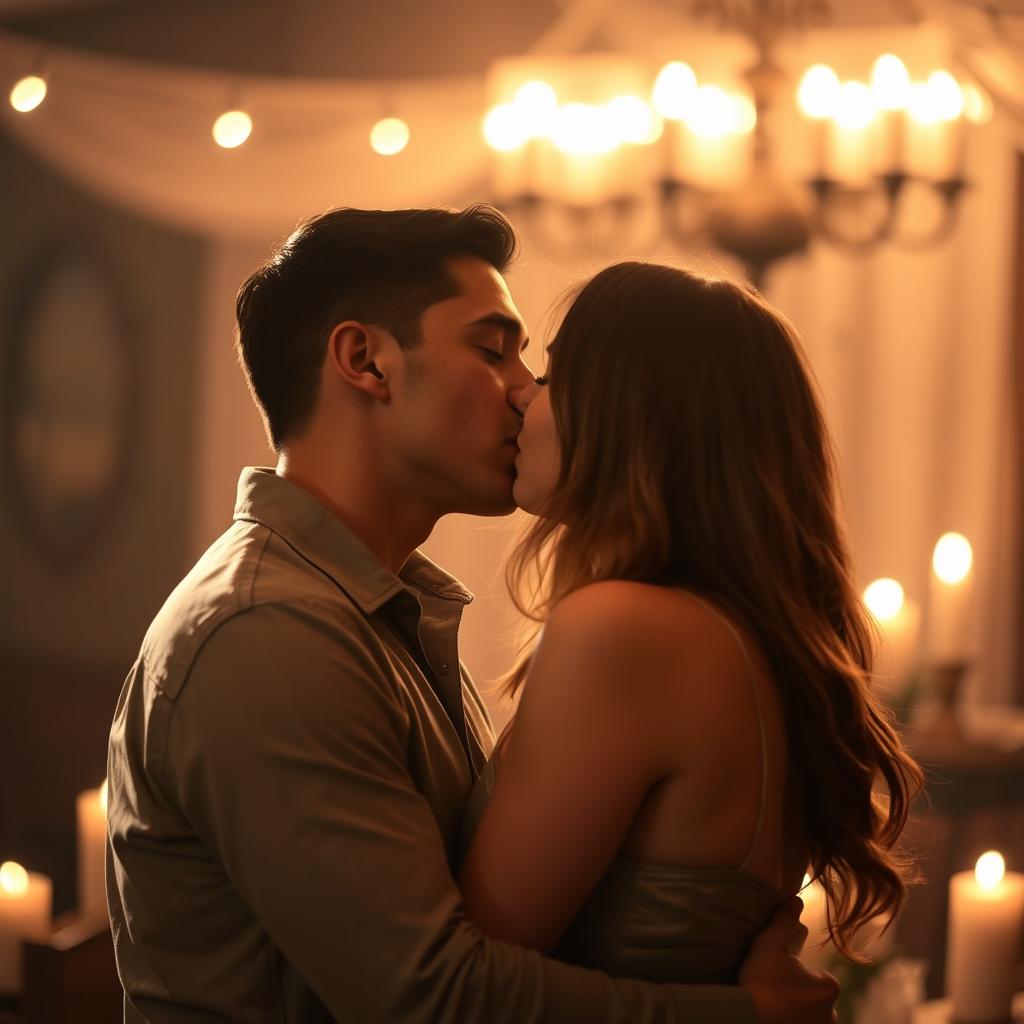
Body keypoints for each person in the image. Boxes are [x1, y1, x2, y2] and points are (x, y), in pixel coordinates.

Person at [106, 206, 839, 1023]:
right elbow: (432, 996)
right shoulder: (266, 632)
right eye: (495, 351)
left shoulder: (387, 613)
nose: (525, 391)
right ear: (366, 363)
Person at [458, 261, 922, 984]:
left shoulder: (625, 630)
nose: (523, 397)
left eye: (552, 376)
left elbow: (468, 977)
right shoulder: (750, 637)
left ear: (626, 411)